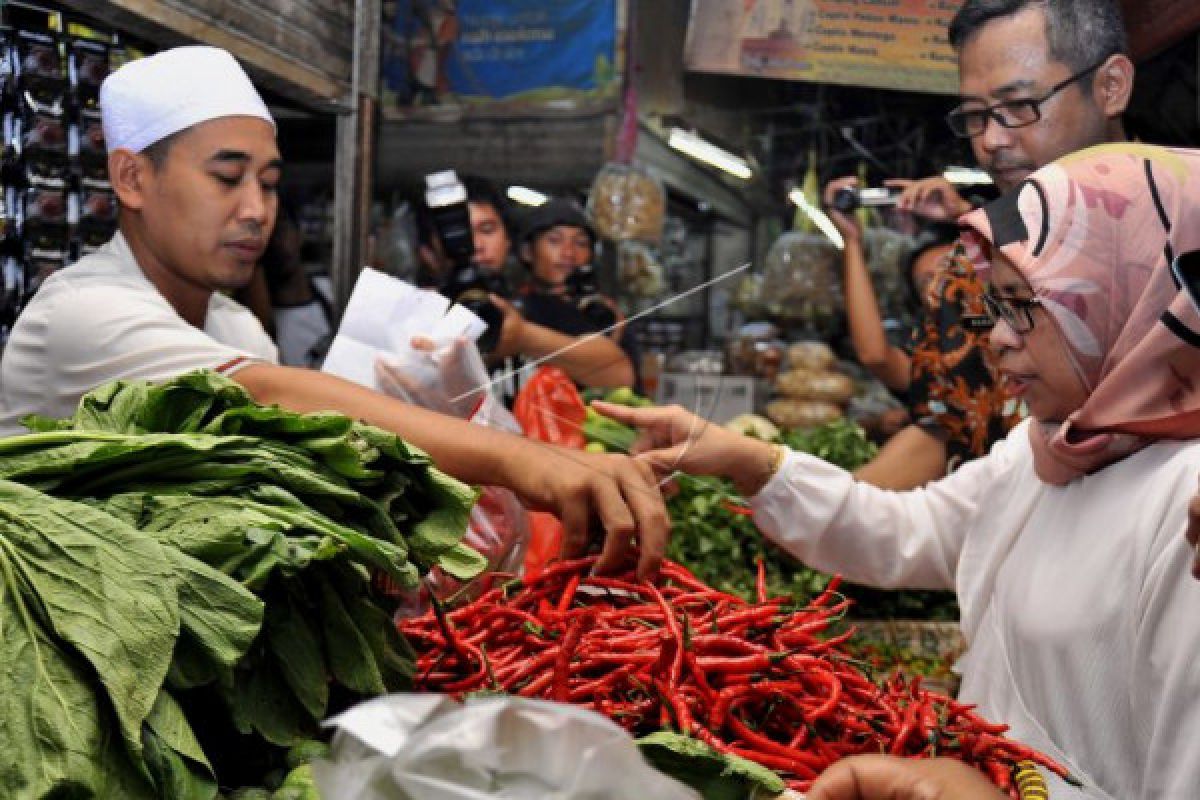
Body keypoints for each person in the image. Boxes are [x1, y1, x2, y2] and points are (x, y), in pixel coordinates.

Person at [597, 143, 1200, 798]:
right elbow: (903, 531)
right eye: (995, 304)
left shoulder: (1186, 509)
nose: (997, 337)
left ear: (1129, 297)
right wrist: (750, 461)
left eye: (1023, 302)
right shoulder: (1046, 449)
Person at [0, 45, 668, 579]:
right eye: (227, 178)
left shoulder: (234, 325)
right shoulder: (85, 311)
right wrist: (526, 462)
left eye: (268, 183)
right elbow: (276, 395)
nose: (258, 210)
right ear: (131, 179)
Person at [847, 0, 1135, 489]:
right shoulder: (967, 269)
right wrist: (819, 503)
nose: (990, 141)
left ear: (1110, 87)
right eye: (976, 116)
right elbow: (945, 430)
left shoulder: (1183, 238)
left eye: (1020, 107)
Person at [416, 177, 635, 391]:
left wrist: (523, 337)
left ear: (507, 241)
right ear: (427, 253)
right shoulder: (414, 314)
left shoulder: (542, 309)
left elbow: (618, 373)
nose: (475, 245)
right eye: (458, 235)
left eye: (487, 229)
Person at [516, 197, 641, 389]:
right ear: (527, 252)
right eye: (554, 240)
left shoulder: (602, 311)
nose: (568, 253)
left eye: (581, 243)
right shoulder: (516, 310)